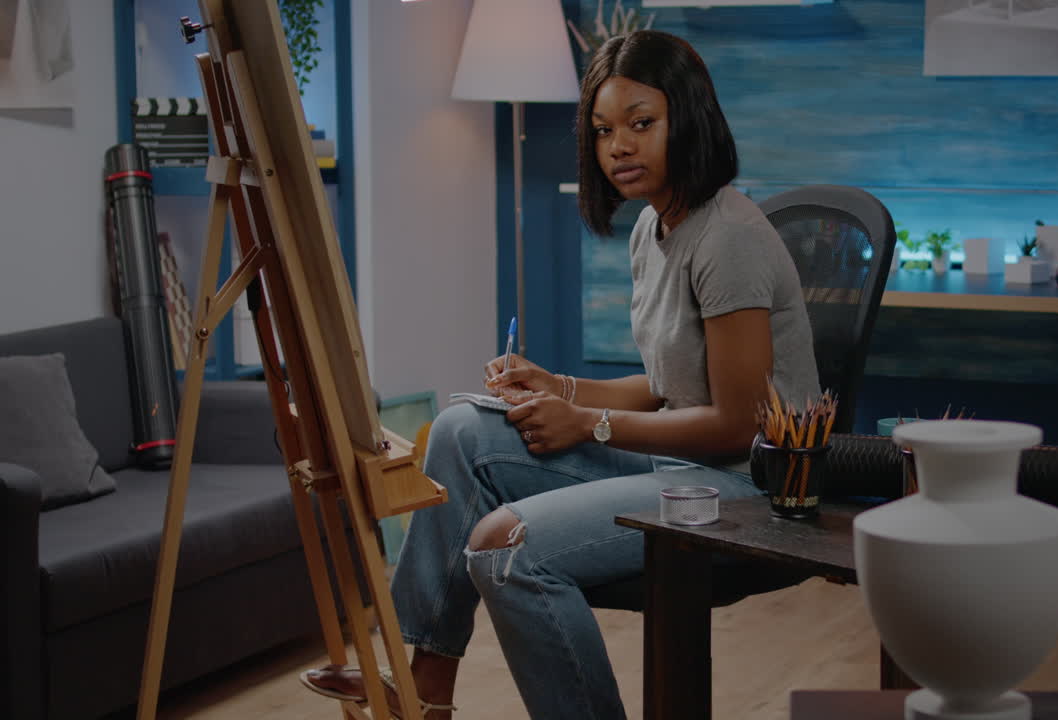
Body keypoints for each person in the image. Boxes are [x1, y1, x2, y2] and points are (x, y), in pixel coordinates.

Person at [301, 29, 818, 719]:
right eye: (604, 131)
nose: (619, 147)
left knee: (505, 547)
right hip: (684, 466)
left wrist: (590, 424)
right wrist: (559, 388)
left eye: (641, 124)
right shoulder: (653, 230)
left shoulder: (729, 236)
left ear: (688, 118)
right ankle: (420, 685)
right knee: (457, 432)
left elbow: (738, 423)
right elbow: (670, 389)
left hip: (749, 491)